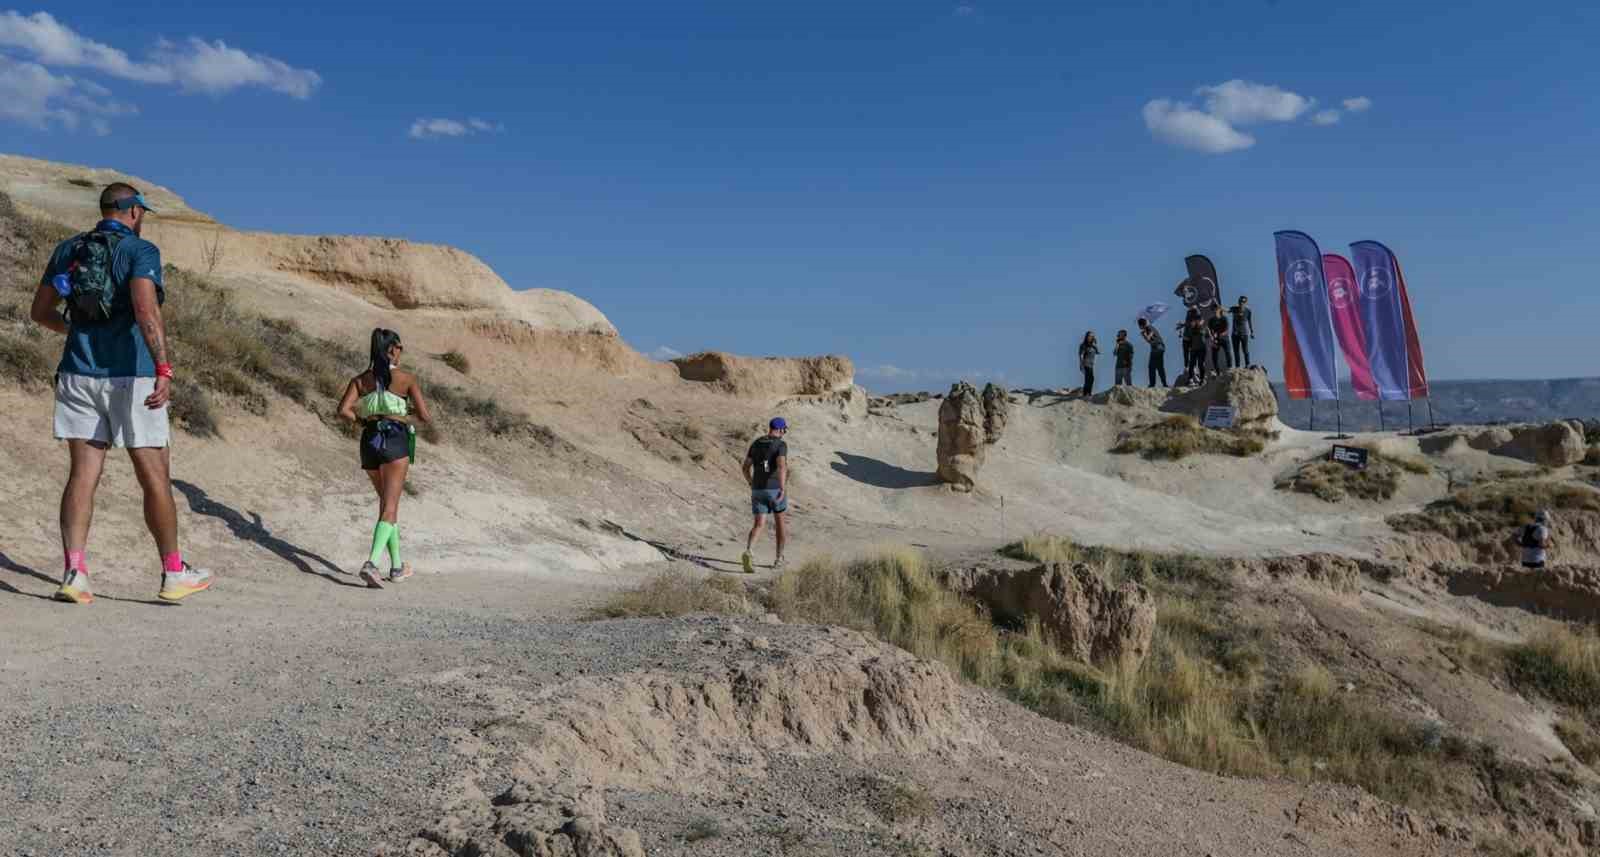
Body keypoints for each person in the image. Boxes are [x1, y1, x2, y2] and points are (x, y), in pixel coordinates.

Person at [29, 183, 213, 604]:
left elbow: (39, 313)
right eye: (141, 211)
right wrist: (164, 367)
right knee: (154, 475)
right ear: (132, 211)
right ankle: (172, 573)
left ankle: (74, 574)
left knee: (82, 475)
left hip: (77, 373)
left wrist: (73, 331)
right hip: (132, 376)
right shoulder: (140, 251)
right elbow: (147, 310)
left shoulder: (67, 249)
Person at [337, 328, 434, 587]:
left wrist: (363, 421)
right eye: (400, 347)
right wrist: (403, 416)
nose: (401, 351)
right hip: (394, 440)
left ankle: (397, 567)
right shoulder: (406, 379)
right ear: (391, 349)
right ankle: (371, 563)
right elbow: (425, 417)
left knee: (386, 506)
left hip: (369, 441)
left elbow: (343, 410)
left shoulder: (360, 380)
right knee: (390, 507)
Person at [741, 418, 789, 573]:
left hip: (757, 489)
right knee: (780, 524)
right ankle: (779, 559)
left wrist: (750, 482)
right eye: (784, 430)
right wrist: (782, 487)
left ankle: (749, 551)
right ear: (781, 430)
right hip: (774, 489)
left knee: (759, 524)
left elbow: (745, 467)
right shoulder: (780, 445)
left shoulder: (756, 443)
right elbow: (781, 466)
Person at [1138, 318, 1167, 387]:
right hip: (1160, 347)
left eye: (1139, 326)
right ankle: (1164, 383)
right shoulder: (1150, 327)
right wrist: (1145, 335)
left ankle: (1152, 384)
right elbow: (1150, 341)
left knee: (1151, 367)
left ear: (1141, 325)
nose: (1139, 327)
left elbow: (1149, 338)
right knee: (1160, 367)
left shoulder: (1149, 328)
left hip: (1157, 348)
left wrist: (1144, 335)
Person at [1229, 296, 1255, 367]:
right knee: (1236, 351)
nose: (1241, 303)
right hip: (1235, 334)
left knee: (1245, 350)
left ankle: (1247, 364)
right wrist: (1220, 307)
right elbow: (1227, 311)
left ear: (1245, 303)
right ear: (1238, 302)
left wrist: (1252, 332)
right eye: (1240, 301)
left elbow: (1250, 321)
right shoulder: (1234, 309)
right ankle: (1238, 366)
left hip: (1244, 333)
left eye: (1243, 302)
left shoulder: (1248, 311)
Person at [1207, 305, 1232, 374]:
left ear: (1219, 310)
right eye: (1213, 310)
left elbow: (1226, 330)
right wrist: (1211, 337)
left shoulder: (1224, 318)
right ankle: (1217, 371)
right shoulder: (1211, 320)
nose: (1215, 311)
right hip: (1215, 340)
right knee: (1214, 356)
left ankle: (1230, 367)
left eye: (1216, 310)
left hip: (1224, 339)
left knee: (1228, 353)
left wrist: (1218, 334)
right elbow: (1209, 329)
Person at [1185, 318, 1209, 386]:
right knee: (1191, 364)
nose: (1192, 324)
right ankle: (1190, 379)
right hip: (1194, 349)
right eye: (1191, 323)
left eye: (1193, 322)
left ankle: (1202, 379)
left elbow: (1207, 336)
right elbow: (1189, 339)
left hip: (1202, 349)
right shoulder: (1191, 330)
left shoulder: (1203, 328)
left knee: (1201, 364)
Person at [1077, 331, 1098, 396]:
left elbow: (1098, 353)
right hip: (1086, 363)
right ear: (1086, 337)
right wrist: (1081, 364)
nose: (1090, 337)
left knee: (1091, 379)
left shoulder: (1093, 346)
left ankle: (1088, 393)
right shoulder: (1083, 345)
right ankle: (1086, 393)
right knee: (1089, 378)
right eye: (1089, 336)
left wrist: (1095, 344)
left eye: (1092, 336)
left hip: (1091, 364)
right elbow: (1081, 355)